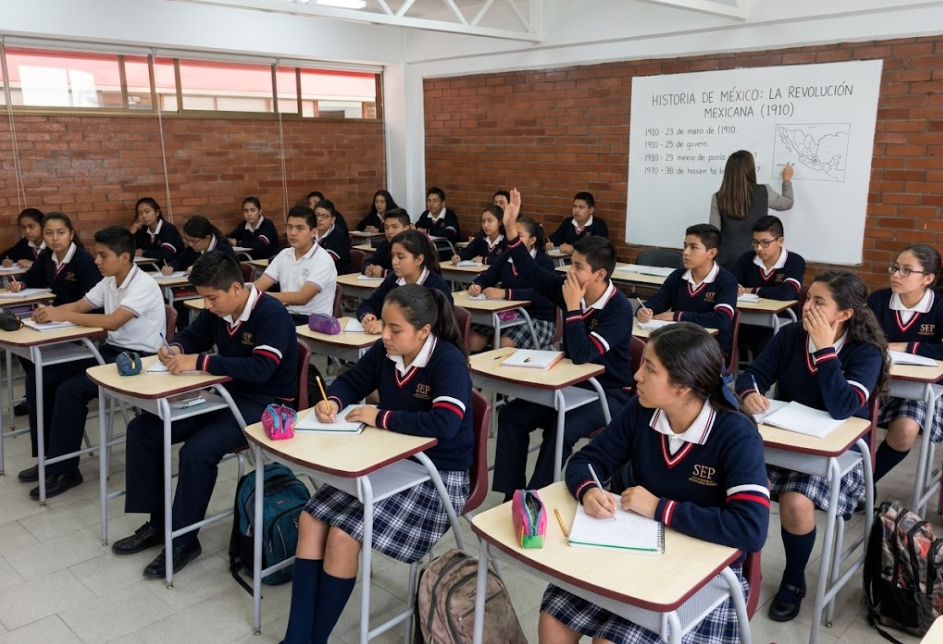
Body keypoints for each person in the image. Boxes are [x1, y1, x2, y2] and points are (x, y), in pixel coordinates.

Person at [540, 323, 769, 644]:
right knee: (553, 620)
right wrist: (589, 490)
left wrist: (660, 508)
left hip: (705, 574)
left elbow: (751, 529)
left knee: (608, 642)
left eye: (649, 368)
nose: (636, 376)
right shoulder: (642, 411)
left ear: (682, 386)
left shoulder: (735, 434)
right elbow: (584, 461)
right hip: (638, 553)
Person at [280, 284, 473, 644]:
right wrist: (334, 402)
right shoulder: (386, 352)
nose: (384, 335)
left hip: (437, 476)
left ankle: (313, 639)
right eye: (383, 325)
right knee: (310, 518)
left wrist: (379, 416)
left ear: (424, 331)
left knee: (342, 534)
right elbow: (354, 379)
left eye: (395, 329)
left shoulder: (447, 361)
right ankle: (296, 637)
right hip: (389, 461)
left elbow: (445, 425)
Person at [112, 251, 298, 578]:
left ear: (237, 289)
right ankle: (159, 524)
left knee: (197, 451)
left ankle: (184, 541)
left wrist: (201, 362)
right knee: (145, 429)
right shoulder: (218, 311)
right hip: (225, 392)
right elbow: (193, 336)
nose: (208, 306)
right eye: (204, 299)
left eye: (212, 298)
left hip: (265, 402)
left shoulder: (271, 314)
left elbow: (261, 368)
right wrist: (177, 347)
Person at [736, 270, 887, 622]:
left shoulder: (864, 351)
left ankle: (793, 580)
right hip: (786, 438)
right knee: (733, 482)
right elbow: (752, 374)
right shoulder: (790, 335)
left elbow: (843, 406)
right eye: (808, 299)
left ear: (845, 314)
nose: (807, 307)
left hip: (839, 453)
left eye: (819, 302)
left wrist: (824, 349)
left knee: (796, 502)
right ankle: (737, 568)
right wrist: (749, 394)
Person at [491, 189, 633, 498]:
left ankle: (534, 499)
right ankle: (510, 495)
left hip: (607, 392)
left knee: (560, 429)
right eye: (572, 263)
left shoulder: (618, 309)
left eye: (578, 267)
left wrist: (571, 308)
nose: (570, 271)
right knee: (512, 416)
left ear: (600, 274)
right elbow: (532, 272)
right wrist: (511, 228)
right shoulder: (570, 287)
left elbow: (582, 356)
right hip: (568, 385)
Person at [18, 227, 165, 498]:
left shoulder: (143, 284)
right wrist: (48, 313)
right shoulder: (109, 281)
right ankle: (48, 460)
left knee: (70, 390)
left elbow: (112, 321)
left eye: (102, 255)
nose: (96, 260)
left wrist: (62, 317)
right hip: (111, 352)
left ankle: (66, 470)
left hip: (139, 361)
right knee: (41, 376)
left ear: (124, 257)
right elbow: (81, 305)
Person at [867, 244, 943, 484]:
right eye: (896, 267)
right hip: (878, 379)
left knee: (906, 431)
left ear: (928, 278)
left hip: (921, 390)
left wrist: (905, 346)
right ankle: (854, 483)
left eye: (907, 270)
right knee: (850, 421)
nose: (896, 275)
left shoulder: (939, 306)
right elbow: (861, 339)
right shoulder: (879, 299)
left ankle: (866, 484)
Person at [637, 223, 738, 358]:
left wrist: (677, 317)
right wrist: (645, 310)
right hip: (678, 344)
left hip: (710, 349)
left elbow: (721, 319)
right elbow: (658, 300)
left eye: (693, 247)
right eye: (685, 246)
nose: (685, 252)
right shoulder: (678, 276)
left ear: (711, 253)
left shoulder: (726, 281)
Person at [466, 216, 555, 351]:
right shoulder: (506, 256)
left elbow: (541, 294)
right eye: (511, 234)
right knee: (472, 341)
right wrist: (477, 286)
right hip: (506, 315)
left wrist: (505, 293)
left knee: (503, 345)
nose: (513, 239)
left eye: (519, 235)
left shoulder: (543, 261)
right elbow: (488, 276)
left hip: (536, 319)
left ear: (532, 240)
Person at [730, 215, 806, 352]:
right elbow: (728, 282)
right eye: (755, 242)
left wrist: (752, 291)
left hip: (780, 322)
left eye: (765, 243)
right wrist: (734, 287)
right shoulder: (747, 259)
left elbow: (787, 293)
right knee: (723, 338)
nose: (759, 248)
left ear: (780, 241)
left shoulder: (794, 261)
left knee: (767, 347)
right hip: (746, 321)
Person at [356, 230, 452, 335]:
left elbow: (437, 324)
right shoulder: (393, 279)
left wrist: (387, 325)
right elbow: (369, 304)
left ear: (419, 260)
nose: (394, 262)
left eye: (401, 257)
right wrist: (368, 316)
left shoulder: (436, 286)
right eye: (393, 256)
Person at [710, 151, 794, 269]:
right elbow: (787, 203)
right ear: (750, 169)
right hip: (757, 256)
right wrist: (786, 179)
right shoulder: (764, 191)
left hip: (727, 258)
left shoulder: (718, 197)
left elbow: (713, 233)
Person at [255, 206, 337, 325]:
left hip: (311, 321)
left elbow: (302, 298)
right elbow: (260, 284)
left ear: (313, 232)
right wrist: (244, 292)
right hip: (285, 314)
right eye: (289, 227)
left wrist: (261, 297)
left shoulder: (323, 260)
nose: (293, 233)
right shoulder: (284, 254)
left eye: (300, 228)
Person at [162, 216, 238, 273]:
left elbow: (219, 271)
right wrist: (170, 266)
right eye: (188, 240)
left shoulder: (223, 250)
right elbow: (181, 260)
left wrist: (198, 268)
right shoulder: (194, 249)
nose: (191, 244)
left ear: (207, 238)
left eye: (194, 241)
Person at [131, 198, 182, 264]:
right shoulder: (142, 231)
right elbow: (129, 251)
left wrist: (144, 252)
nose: (143, 216)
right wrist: (131, 233)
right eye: (140, 213)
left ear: (157, 212)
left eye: (147, 211)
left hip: (172, 270)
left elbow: (165, 253)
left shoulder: (169, 229)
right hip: (151, 270)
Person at [361, 209, 411, 278]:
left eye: (395, 227)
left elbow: (409, 272)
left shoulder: (414, 246)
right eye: (386, 227)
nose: (389, 231)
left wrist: (384, 273)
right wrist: (368, 268)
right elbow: (370, 261)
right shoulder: (385, 243)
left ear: (406, 228)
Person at [313, 199, 352, 275]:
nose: (319, 219)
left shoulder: (339, 235)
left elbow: (325, 262)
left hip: (335, 277)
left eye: (324, 216)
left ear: (333, 220)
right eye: (317, 215)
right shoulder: (310, 231)